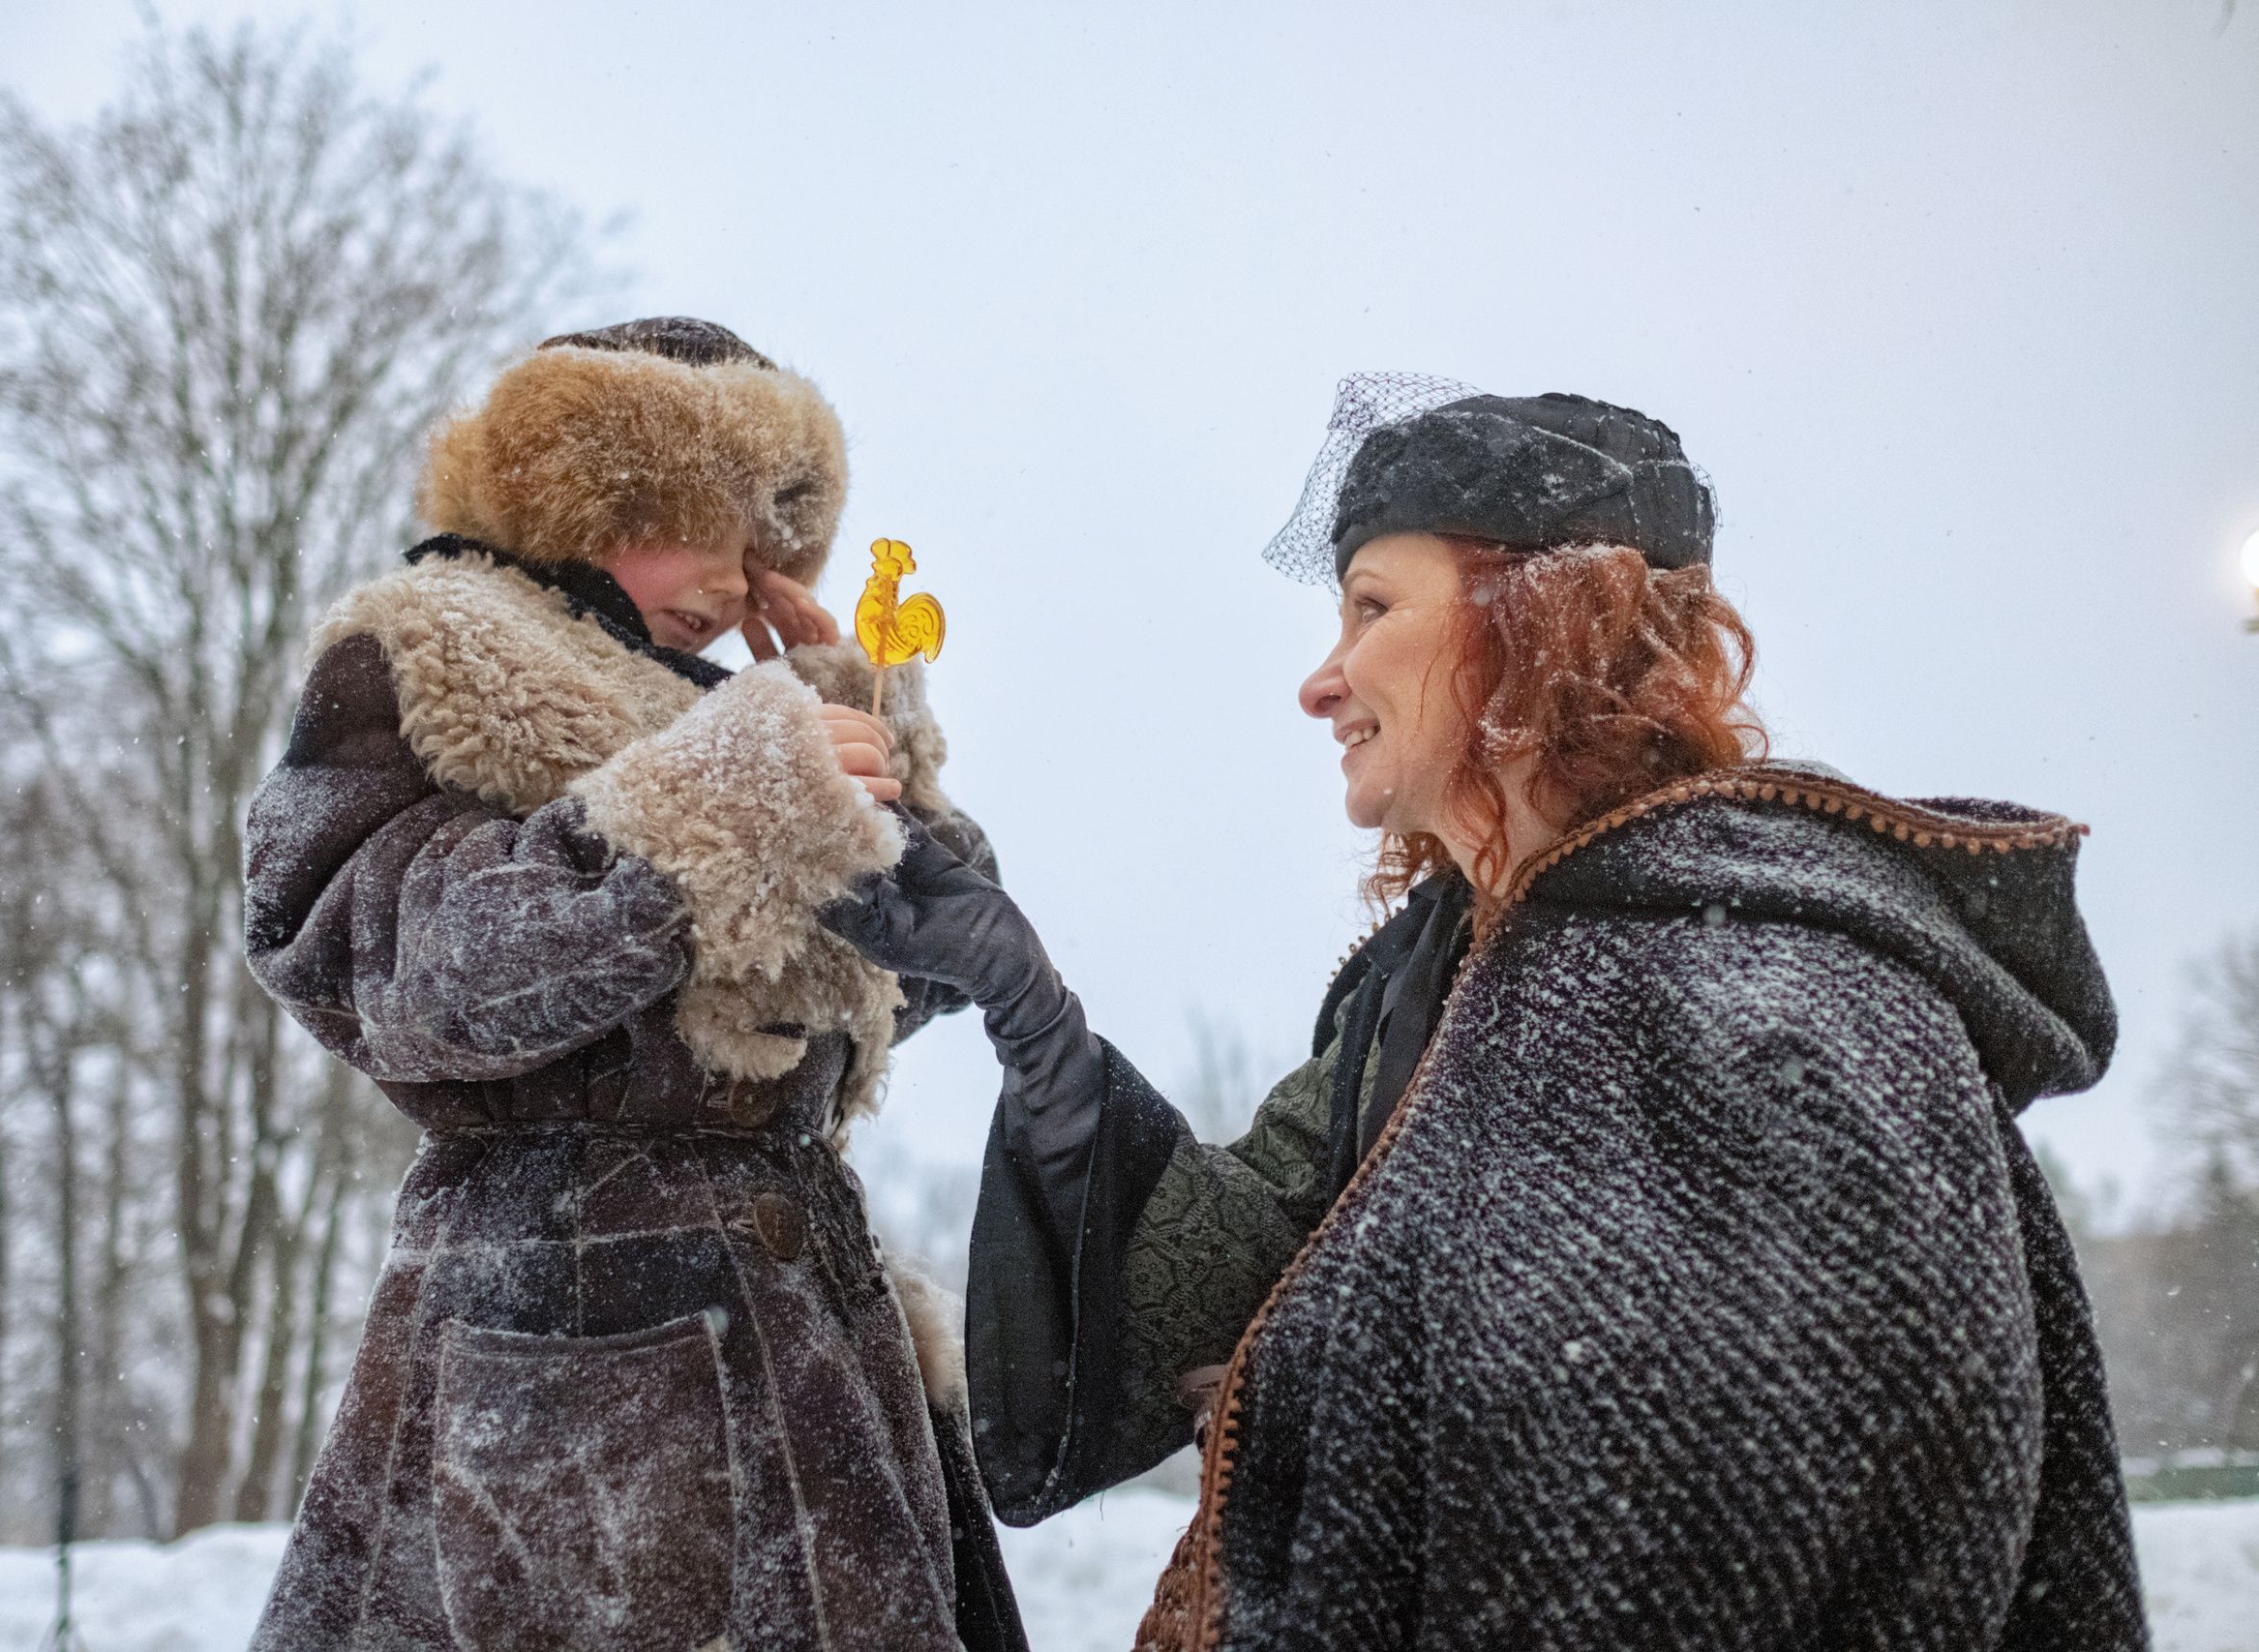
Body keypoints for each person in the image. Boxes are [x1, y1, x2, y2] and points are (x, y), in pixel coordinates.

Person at [820, 379, 2149, 1649]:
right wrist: (1026, 1008)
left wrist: (1313, 1408)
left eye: (1372, 607)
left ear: (1542, 619)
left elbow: (1684, 1553)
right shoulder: (1445, 973)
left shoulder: (1758, 1002)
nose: (1320, 680)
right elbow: (1210, 1293)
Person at [241, 316, 1026, 1652]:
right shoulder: (425, 653)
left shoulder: (716, 704)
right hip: (568, 1370)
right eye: (697, 528)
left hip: (808, 1344)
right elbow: (387, 964)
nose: (733, 583)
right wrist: (712, 803)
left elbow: (929, 973)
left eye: (759, 541)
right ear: (585, 500)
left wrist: (857, 726)